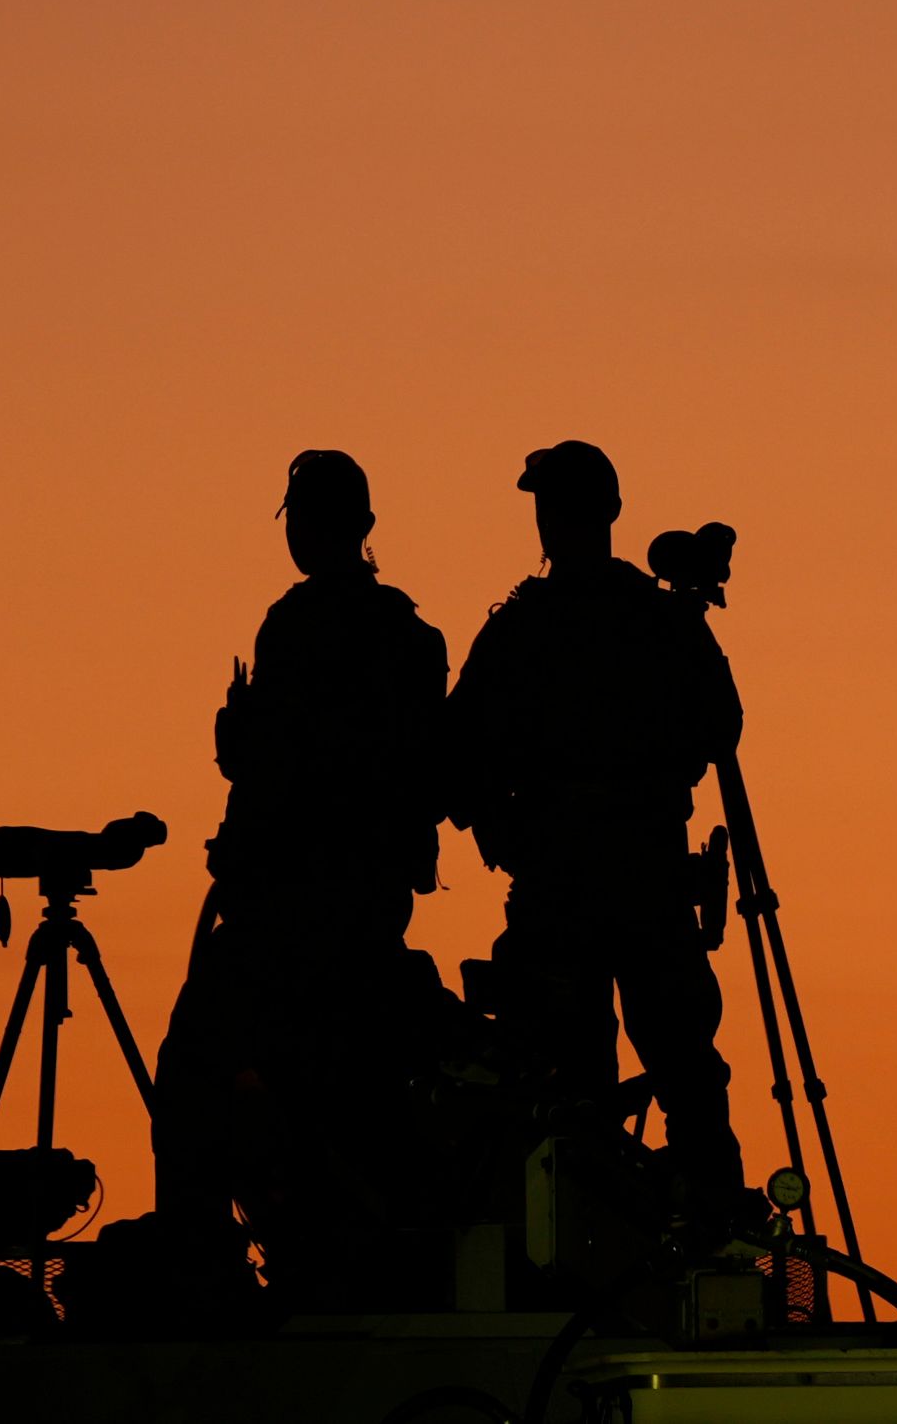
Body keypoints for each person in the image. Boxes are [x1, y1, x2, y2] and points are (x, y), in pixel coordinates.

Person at [150, 449, 450, 1294]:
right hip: (364, 910)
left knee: (194, 1077)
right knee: (338, 1094)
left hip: (293, 912)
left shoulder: (300, 627)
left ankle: (199, 1262)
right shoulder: (409, 637)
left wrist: (243, 759)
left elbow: (290, 770)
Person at [444, 440, 746, 1215]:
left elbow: (457, 752)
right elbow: (720, 727)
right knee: (603, 1082)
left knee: (619, 1079)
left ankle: (657, 1231)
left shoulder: (541, 627)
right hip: (605, 884)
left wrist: (499, 822)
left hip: (597, 886)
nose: (552, 522)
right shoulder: (639, 620)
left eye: (559, 506)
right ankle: (665, 1228)